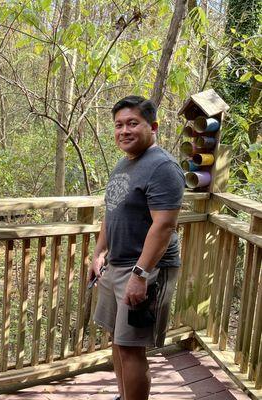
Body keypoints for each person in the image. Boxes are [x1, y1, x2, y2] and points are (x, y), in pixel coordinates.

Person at [89, 96, 185, 400]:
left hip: (146, 271)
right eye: (119, 125)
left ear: (152, 126)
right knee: (118, 341)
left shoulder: (163, 167)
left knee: (131, 347)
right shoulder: (124, 163)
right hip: (116, 265)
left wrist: (140, 275)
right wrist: (99, 252)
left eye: (133, 123)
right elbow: (111, 210)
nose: (124, 131)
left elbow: (164, 226)